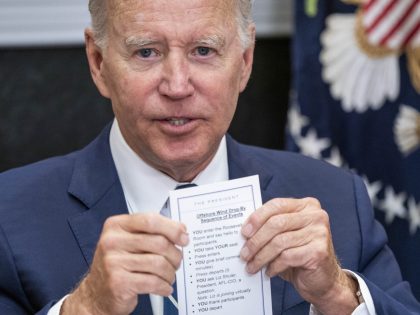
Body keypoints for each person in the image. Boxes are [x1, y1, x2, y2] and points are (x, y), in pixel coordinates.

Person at [0, 0, 419, 314]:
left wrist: (337, 296)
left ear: (245, 61)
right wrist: (84, 309)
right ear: (98, 62)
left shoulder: (336, 196)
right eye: (146, 52)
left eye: (204, 50)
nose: (178, 86)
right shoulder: (10, 217)